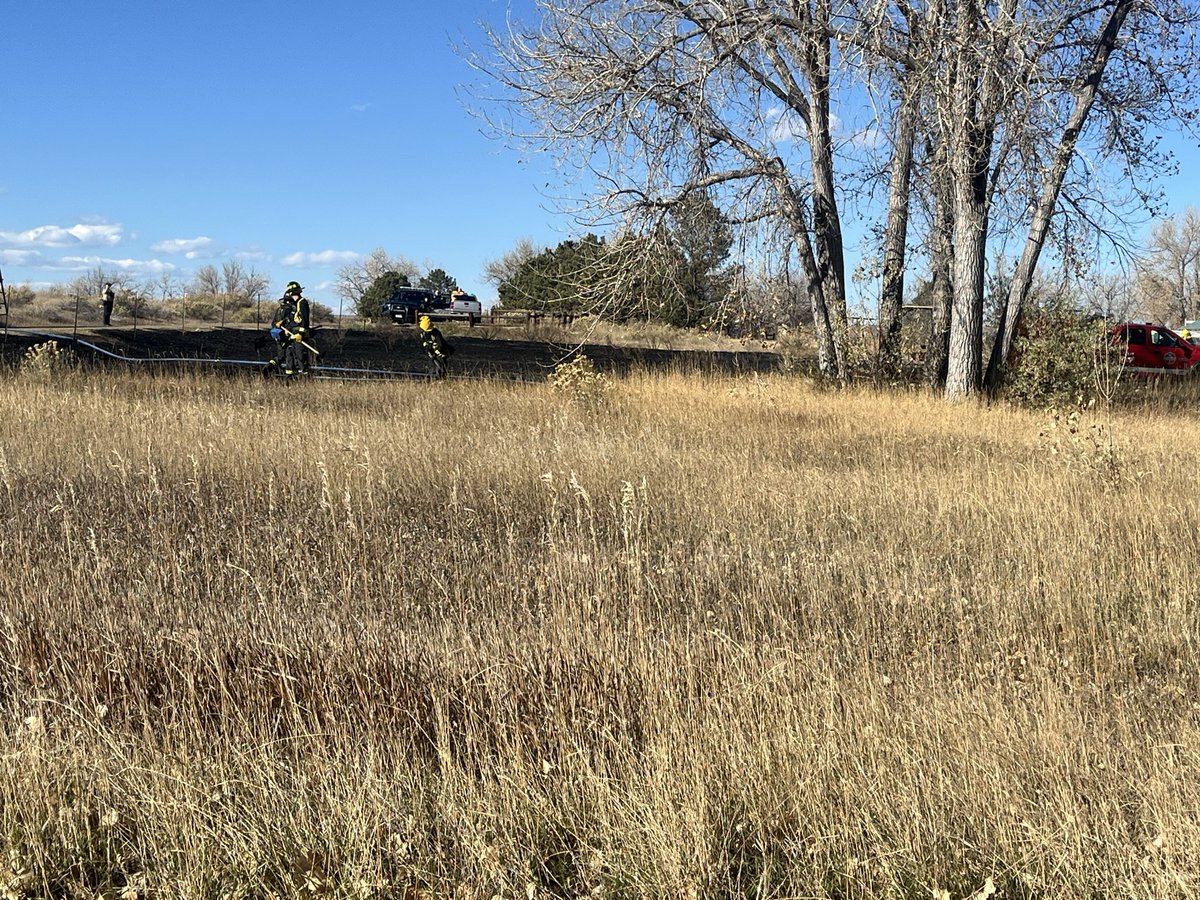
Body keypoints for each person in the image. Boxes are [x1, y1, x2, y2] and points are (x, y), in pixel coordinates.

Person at [267, 281, 313, 376]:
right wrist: (283, 322)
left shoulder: (302, 303)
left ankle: (304, 377)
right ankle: (291, 377)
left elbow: (303, 320)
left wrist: (300, 333)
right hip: (293, 335)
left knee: (300, 357)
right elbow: (293, 319)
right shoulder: (295, 305)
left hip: (299, 335)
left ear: (291, 293)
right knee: (292, 356)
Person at [418, 314, 452, 378]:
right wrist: (427, 348)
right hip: (432, 353)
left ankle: (441, 378)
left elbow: (440, 344)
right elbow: (425, 342)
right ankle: (433, 379)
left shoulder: (436, 333)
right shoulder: (423, 333)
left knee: (441, 368)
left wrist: (436, 350)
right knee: (432, 367)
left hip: (440, 353)